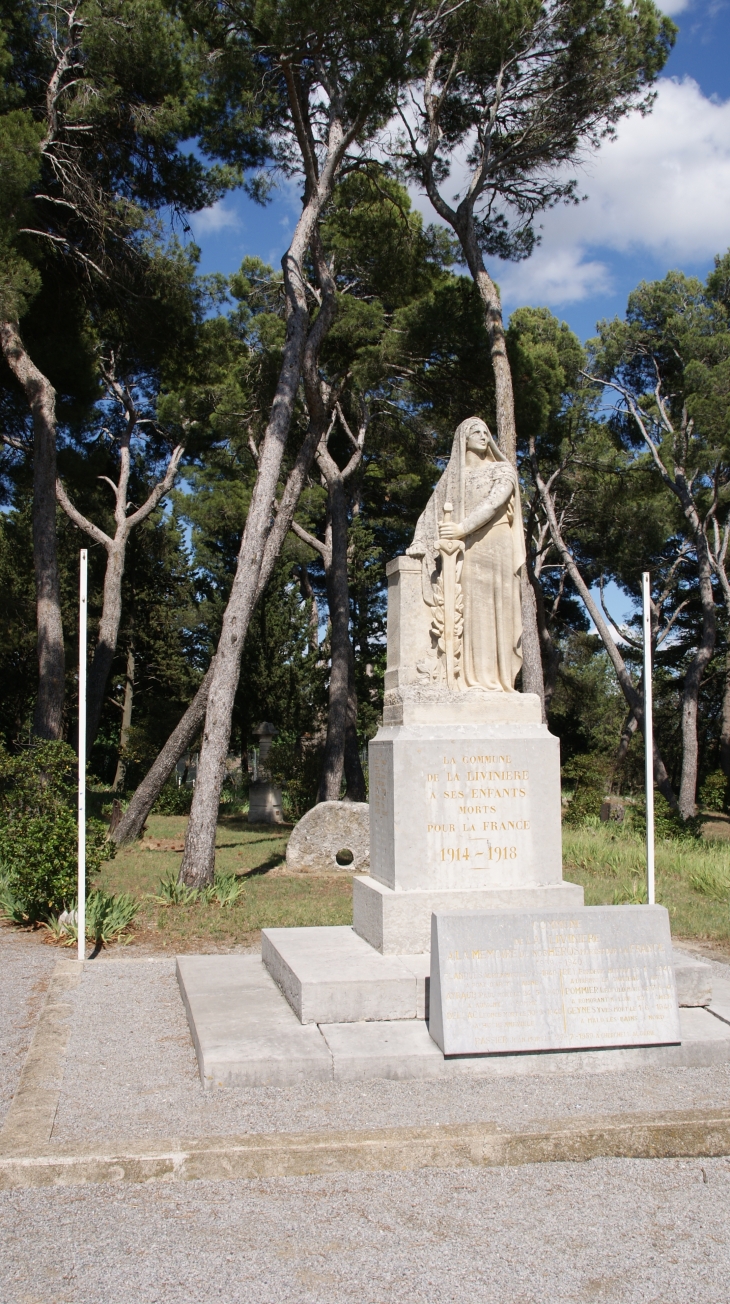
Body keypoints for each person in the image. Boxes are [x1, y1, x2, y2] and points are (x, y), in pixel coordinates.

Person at [407, 416, 524, 691]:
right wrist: (420, 541)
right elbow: (431, 510)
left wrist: (460, 527)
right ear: (463, 439)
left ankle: (499, 680)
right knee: (470, 611)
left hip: (496, 542)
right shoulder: (453, 479)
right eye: (476, 431)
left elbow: (494, 504)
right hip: (467, 550)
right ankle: (470, 678)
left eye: (486, 432)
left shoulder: (502, 470)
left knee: (497, 607)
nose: (484, 436)